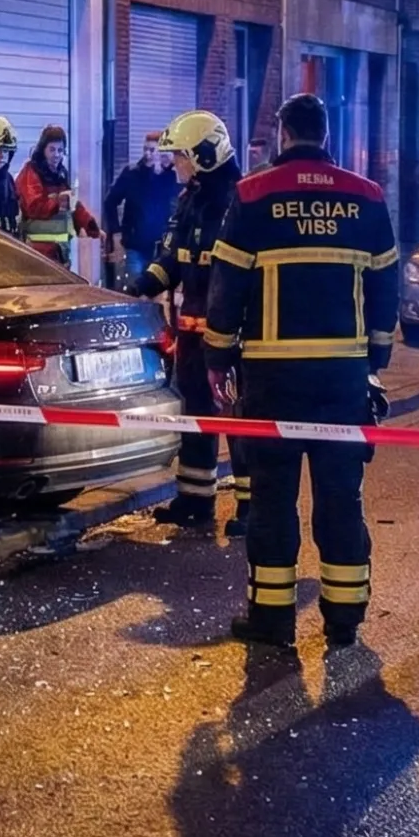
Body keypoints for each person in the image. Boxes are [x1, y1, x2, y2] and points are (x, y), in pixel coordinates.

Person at [203, 95, 400, 648]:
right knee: (341, 497)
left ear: (283, 133)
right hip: (343, 378)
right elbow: (386, 286)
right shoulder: (366, 197)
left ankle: (272, 619)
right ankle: (344, 618)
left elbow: (227, 286)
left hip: (273, 379)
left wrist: (218, 358)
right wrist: (377, 358)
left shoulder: (253, 195)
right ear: (325, 134)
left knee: (272, 499)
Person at [125, 111, 246, 530]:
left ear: (204, 156)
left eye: (180, 156)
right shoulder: (191, 199)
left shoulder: (238, 201)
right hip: (192, 334)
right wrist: (140, 287)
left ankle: (251, 508)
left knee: (239, 420)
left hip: (229, 336)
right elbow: (172, 259)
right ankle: (195, 500)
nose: (174, 163)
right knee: (195, 417)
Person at [15, 125, 102, 267]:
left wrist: (92, 227)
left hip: (60, 253)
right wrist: (59, 202)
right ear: (43, 149)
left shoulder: (60, 173)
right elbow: (33, 206)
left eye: (60, 150)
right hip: (37, 252)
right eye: (52, 149)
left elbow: (73, 205)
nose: (56, 154)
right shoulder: (31, 172)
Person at [103, 137, 177, 290]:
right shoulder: (131, 174)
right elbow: (110, 202)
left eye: (152, 150)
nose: (147, 154)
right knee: (135, 287)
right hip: (135, 243)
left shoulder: (168, 176)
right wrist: (116, 233)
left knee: (156, 288)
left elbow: (179, 199)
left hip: (160, 245)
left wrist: (171, 164)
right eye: (145, 149)